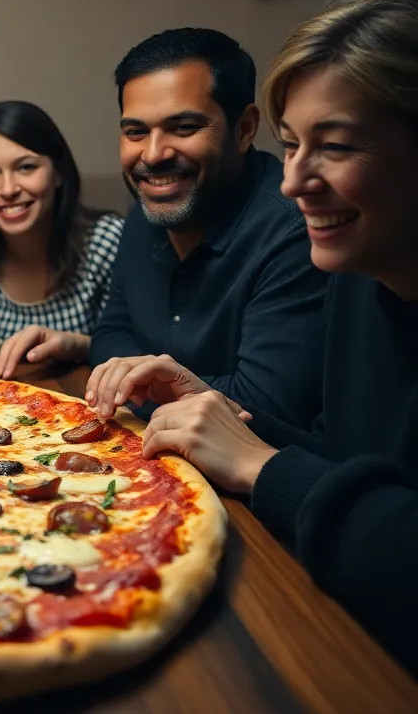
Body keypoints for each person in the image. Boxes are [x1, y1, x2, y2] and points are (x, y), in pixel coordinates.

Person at [86, 0, 418, 676]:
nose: (294, 181)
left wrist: (260, 460)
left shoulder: (318, 245)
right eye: (293, 145)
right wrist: (206, 396)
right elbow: (346, 455)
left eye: (335, 146)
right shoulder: (362, 274)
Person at [88, 28, 327, 428]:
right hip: (144, 455)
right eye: (135, 131)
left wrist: (135, 386)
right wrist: (152, 384)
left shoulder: (295, 229)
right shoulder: (147, 208)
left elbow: (264, 407)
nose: (153, 153)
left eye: (183, 127)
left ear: (245, 128)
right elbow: (110, 337)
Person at [0, 101, 123, 378]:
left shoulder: (106, 242)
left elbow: (136, 349)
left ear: (58, 172)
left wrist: (78, 345)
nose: (8, 189)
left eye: (25, 167)